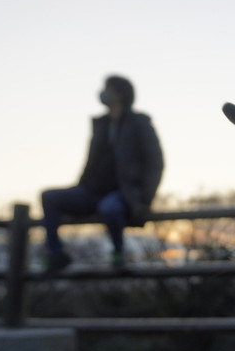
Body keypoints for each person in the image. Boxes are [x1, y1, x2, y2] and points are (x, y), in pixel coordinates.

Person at [41, 75, 164, 272]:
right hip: (91, 191)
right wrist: (82, 184)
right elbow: (92, 162)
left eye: (107, 88)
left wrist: (144, 200)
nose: (102, 93)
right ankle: (55, 254)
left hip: (123, 194)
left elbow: (155, 163)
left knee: (109, 208)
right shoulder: (101, 124)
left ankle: (118, 253)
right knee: (49, 197)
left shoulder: (139, 123)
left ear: (119, 93)